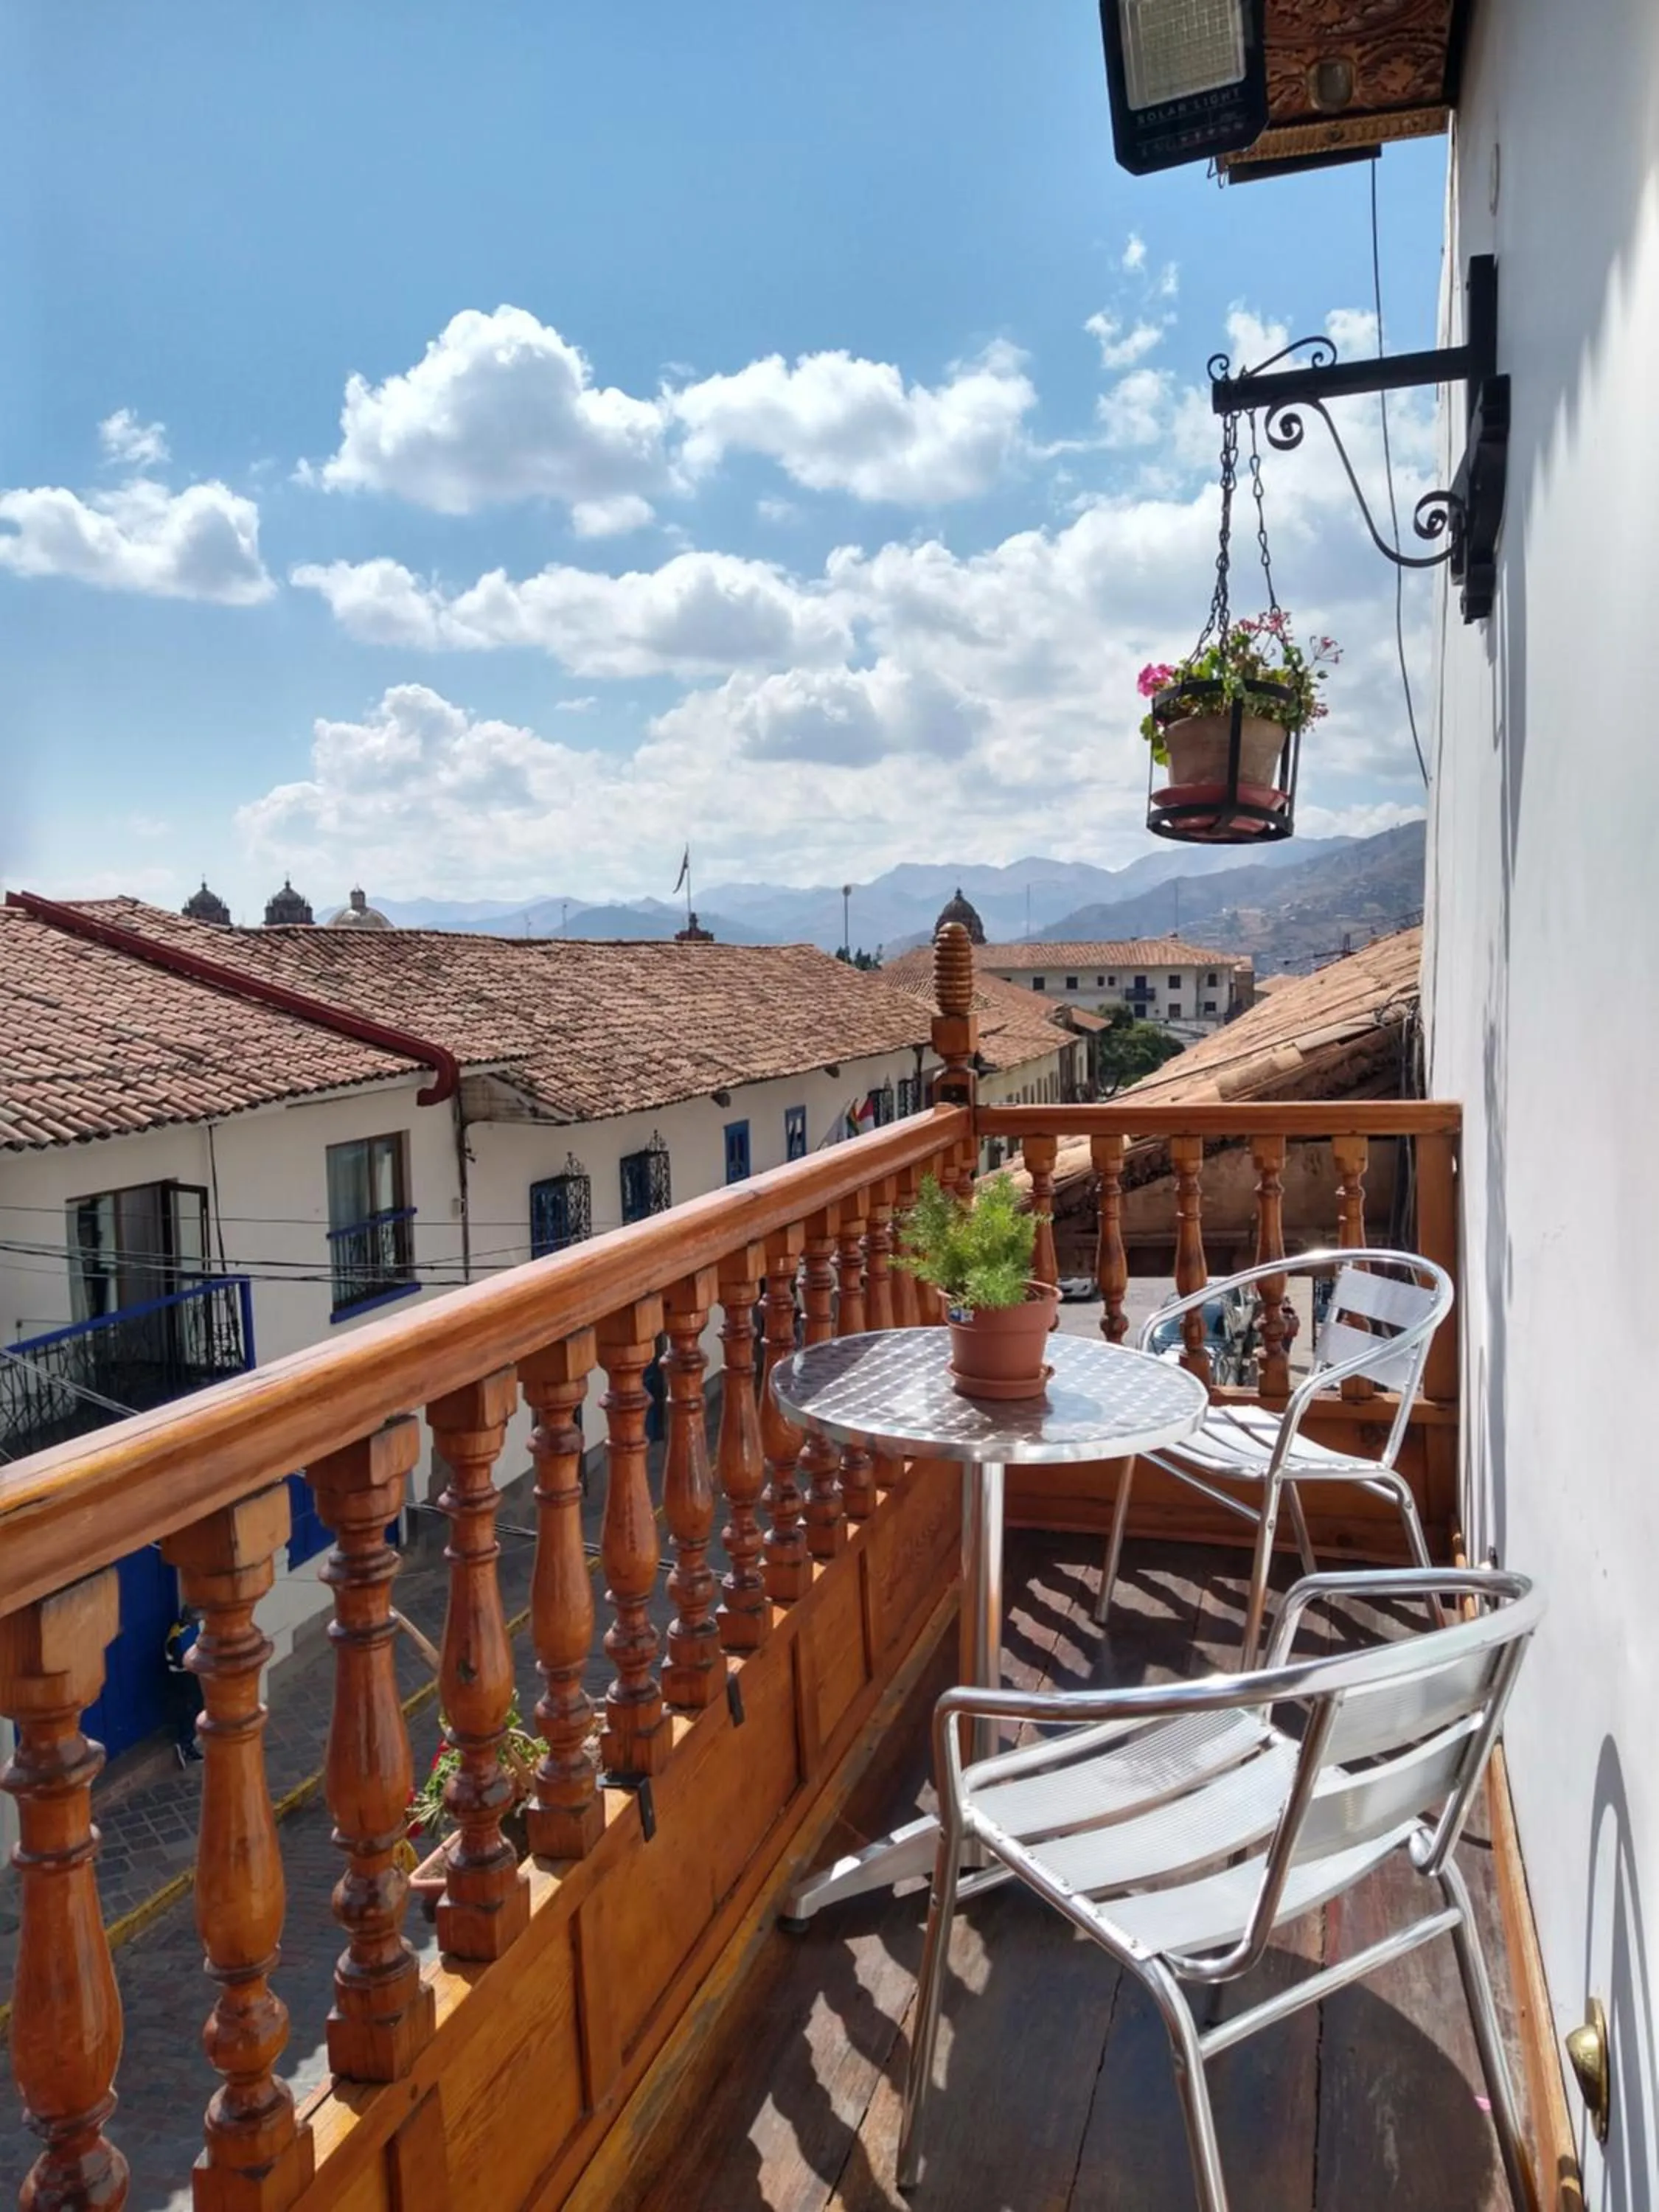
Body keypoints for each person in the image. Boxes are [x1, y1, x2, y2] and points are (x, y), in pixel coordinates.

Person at [164, 1604, 203, 1767]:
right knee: (189, 1708)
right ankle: (184, 1744)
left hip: (192, 1674)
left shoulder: (190, 1630)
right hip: (181, 1677)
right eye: (195, 1619)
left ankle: (189, 1741)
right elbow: (180, 1661)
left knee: (199, 1706)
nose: (197, 1622)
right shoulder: (176, 1636)